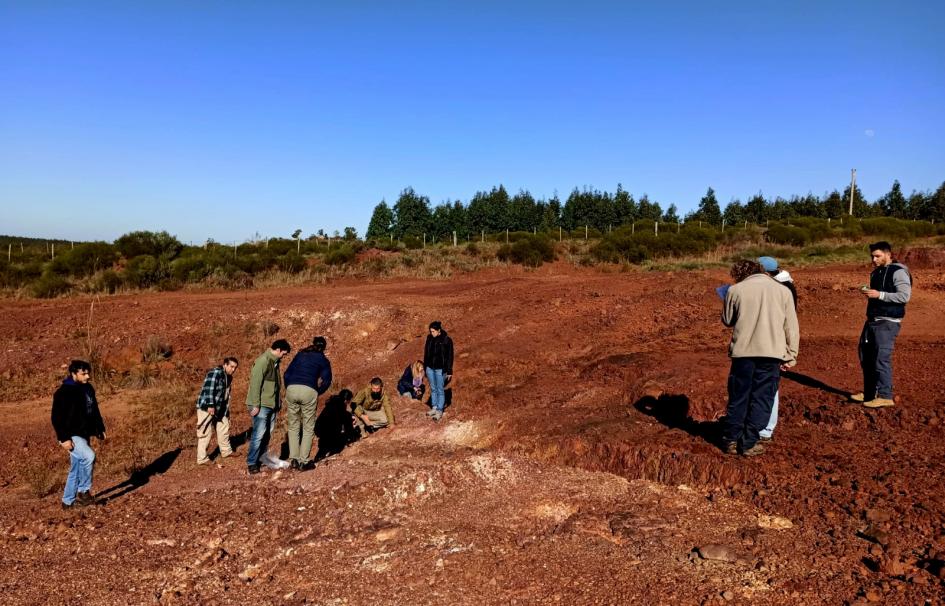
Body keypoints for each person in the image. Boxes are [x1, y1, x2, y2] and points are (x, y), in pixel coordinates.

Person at [721, 259, 799, 457]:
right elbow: (791, 327)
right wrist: (791, 355)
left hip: (743, 354)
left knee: (739, 397)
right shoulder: (784, 291)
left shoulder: (735, 290)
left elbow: (727, 320)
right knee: (763, 398)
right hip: (772, 354)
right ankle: (748, 442)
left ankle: (731, 440)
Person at [851, 241, 911, 409]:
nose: (874, 259)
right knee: (866, 356)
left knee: (880, 358)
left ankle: (885, 395)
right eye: (872, 256)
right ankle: (870, 393)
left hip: (888, 322)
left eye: (877, 256)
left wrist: (879, 295)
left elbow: (904, 296)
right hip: (872, 320)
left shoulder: (899, 272)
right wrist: (871, 293)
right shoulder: (876, 272)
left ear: (888, 254)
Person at [51, 360, 106, 509]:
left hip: (84, 433)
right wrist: (64, 438)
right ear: (74, 374)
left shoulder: (88, 388)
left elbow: (94, 409)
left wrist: (99, 428)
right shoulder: (63, 392)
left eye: (88, 373)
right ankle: (83, 492)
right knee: (89, 456)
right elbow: (56, 418)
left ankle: (67, 502)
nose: (87, 376)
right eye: (84, 374)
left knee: (76, 467)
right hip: (71, 434)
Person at [756, 256, 798, 442]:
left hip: (772, 343)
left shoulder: (782, 289)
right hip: (773, 342)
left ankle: (765, 428)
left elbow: (788, 323)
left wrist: (789, 353)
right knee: (768, 386)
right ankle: (762, 425)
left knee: (768, 387)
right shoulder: (785, 286)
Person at [282, 336, 332, 471]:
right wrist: (317, 391)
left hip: (292, 389)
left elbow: (286, 374)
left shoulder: (301, 354)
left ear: (313, 344)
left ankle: (294, 459)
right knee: (308, 427)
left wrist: (289, 387)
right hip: (309, 391)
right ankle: (303, 461)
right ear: (324, 348)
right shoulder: (323, 360)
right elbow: (327, 381)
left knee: (293, 425)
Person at [246, 339, 291, 474]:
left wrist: (278, 403)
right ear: (277, 350)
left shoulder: (274, 363)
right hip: (261, 405)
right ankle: (252, 463)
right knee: (258, 435)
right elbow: (255, 383)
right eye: (283, 353)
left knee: (266, 434)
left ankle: (261, 457)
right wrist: (255, 404)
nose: (284, 356)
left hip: (271, 405)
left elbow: (275, 387)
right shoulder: (263, 361)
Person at [195, 357, 239, 465]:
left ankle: (226, 451)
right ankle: (202, 459)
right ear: (225, 364)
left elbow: (226, 395)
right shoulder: (215, 373)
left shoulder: (229, 377)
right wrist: (210, 405)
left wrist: (226, 410)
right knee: (205, 432)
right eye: (231, 366)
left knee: (224, 427)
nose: (233, 369)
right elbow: (209, 389)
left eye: (235, 368)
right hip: (207, 407)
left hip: (220, 408)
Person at [314, 389, 356, 461]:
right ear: (346, 400)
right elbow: (346, 425)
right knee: (336, 444)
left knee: (323, 448)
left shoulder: (332, 403)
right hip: (328, 433)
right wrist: (352, 437)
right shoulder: (341, 408)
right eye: (349, 401)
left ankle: (318, 457)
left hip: (319, 429)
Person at [423, 321, 454, 421]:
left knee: (440, 389)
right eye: (430, 331)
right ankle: (434, 407)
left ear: (439, 330)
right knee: (433, 388)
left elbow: (450, 356)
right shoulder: (429, 338)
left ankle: (440, 410)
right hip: (430, 368)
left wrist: (449, 371)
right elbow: (426, 352)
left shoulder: (447, 340)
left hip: (440, 369)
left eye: (433, 331)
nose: (431, 333)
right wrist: (425, 367)